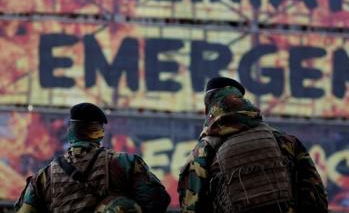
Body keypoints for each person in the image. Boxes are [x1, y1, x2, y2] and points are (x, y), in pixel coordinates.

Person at [178, 77, 328, 213]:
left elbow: (192, 206)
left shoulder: (203, 151)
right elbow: (314, 196)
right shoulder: (284, 140)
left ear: (208, 109)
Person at [15, 102, 171, 213]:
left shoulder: (44, 176)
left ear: (70, 132)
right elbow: (158, 200)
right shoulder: (125, 164)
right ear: (99, 133)